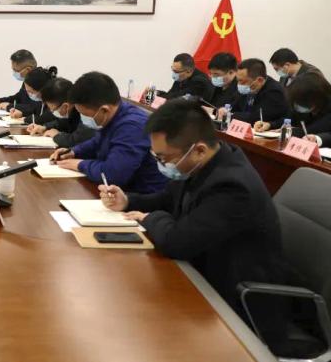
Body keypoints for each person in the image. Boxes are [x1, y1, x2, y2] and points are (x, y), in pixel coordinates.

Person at [98, 99, 287, 345]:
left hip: (238, 303)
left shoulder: (232, 186)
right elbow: (167, 199)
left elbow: (177, 242)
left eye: (164, 158)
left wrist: (150, 218)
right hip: (205, 273)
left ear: (198, 150)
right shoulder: (206, 161)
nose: (162, 164)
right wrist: (128, 201)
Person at [50, 71, 168, 194]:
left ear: (104, 110)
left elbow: (113, 175)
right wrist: (73, 152)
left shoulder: (132, 127)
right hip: (120, 193)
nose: (82, 119)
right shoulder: (115, 113)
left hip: (142, 197)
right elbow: (97, 141)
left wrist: (80, 164)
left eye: (84, 115)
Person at [26, 77, 95, 148]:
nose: (52, 112)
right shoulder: (73, 104)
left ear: (66, 106)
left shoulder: (87, 110)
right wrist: (45, 127)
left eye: (53, 109)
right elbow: (63, 122)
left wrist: (57, 136)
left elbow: (76, 140)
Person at [256, 72, 331, 136]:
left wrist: (292, 131)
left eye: (300, 102)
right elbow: (289, 119)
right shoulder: (301, 103)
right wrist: (270, 124)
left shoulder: (327, 107)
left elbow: (314, 130)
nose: (298, 105)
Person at [216, 58, 288, 124]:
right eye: (238, 81)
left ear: (259, 80)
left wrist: (231, 115)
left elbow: (257, 117)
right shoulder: (248, 88)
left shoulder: (274, 92)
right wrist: (224, 110)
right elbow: (234, 106)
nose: (239, 85)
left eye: (242, 81)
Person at [0, 49, 39, 115]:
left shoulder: (42, 82)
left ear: (28, 70)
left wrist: (9, 106)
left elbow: (36, 108)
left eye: (16, 70)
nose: (14, 73)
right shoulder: (27, 81)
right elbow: (18, 97)